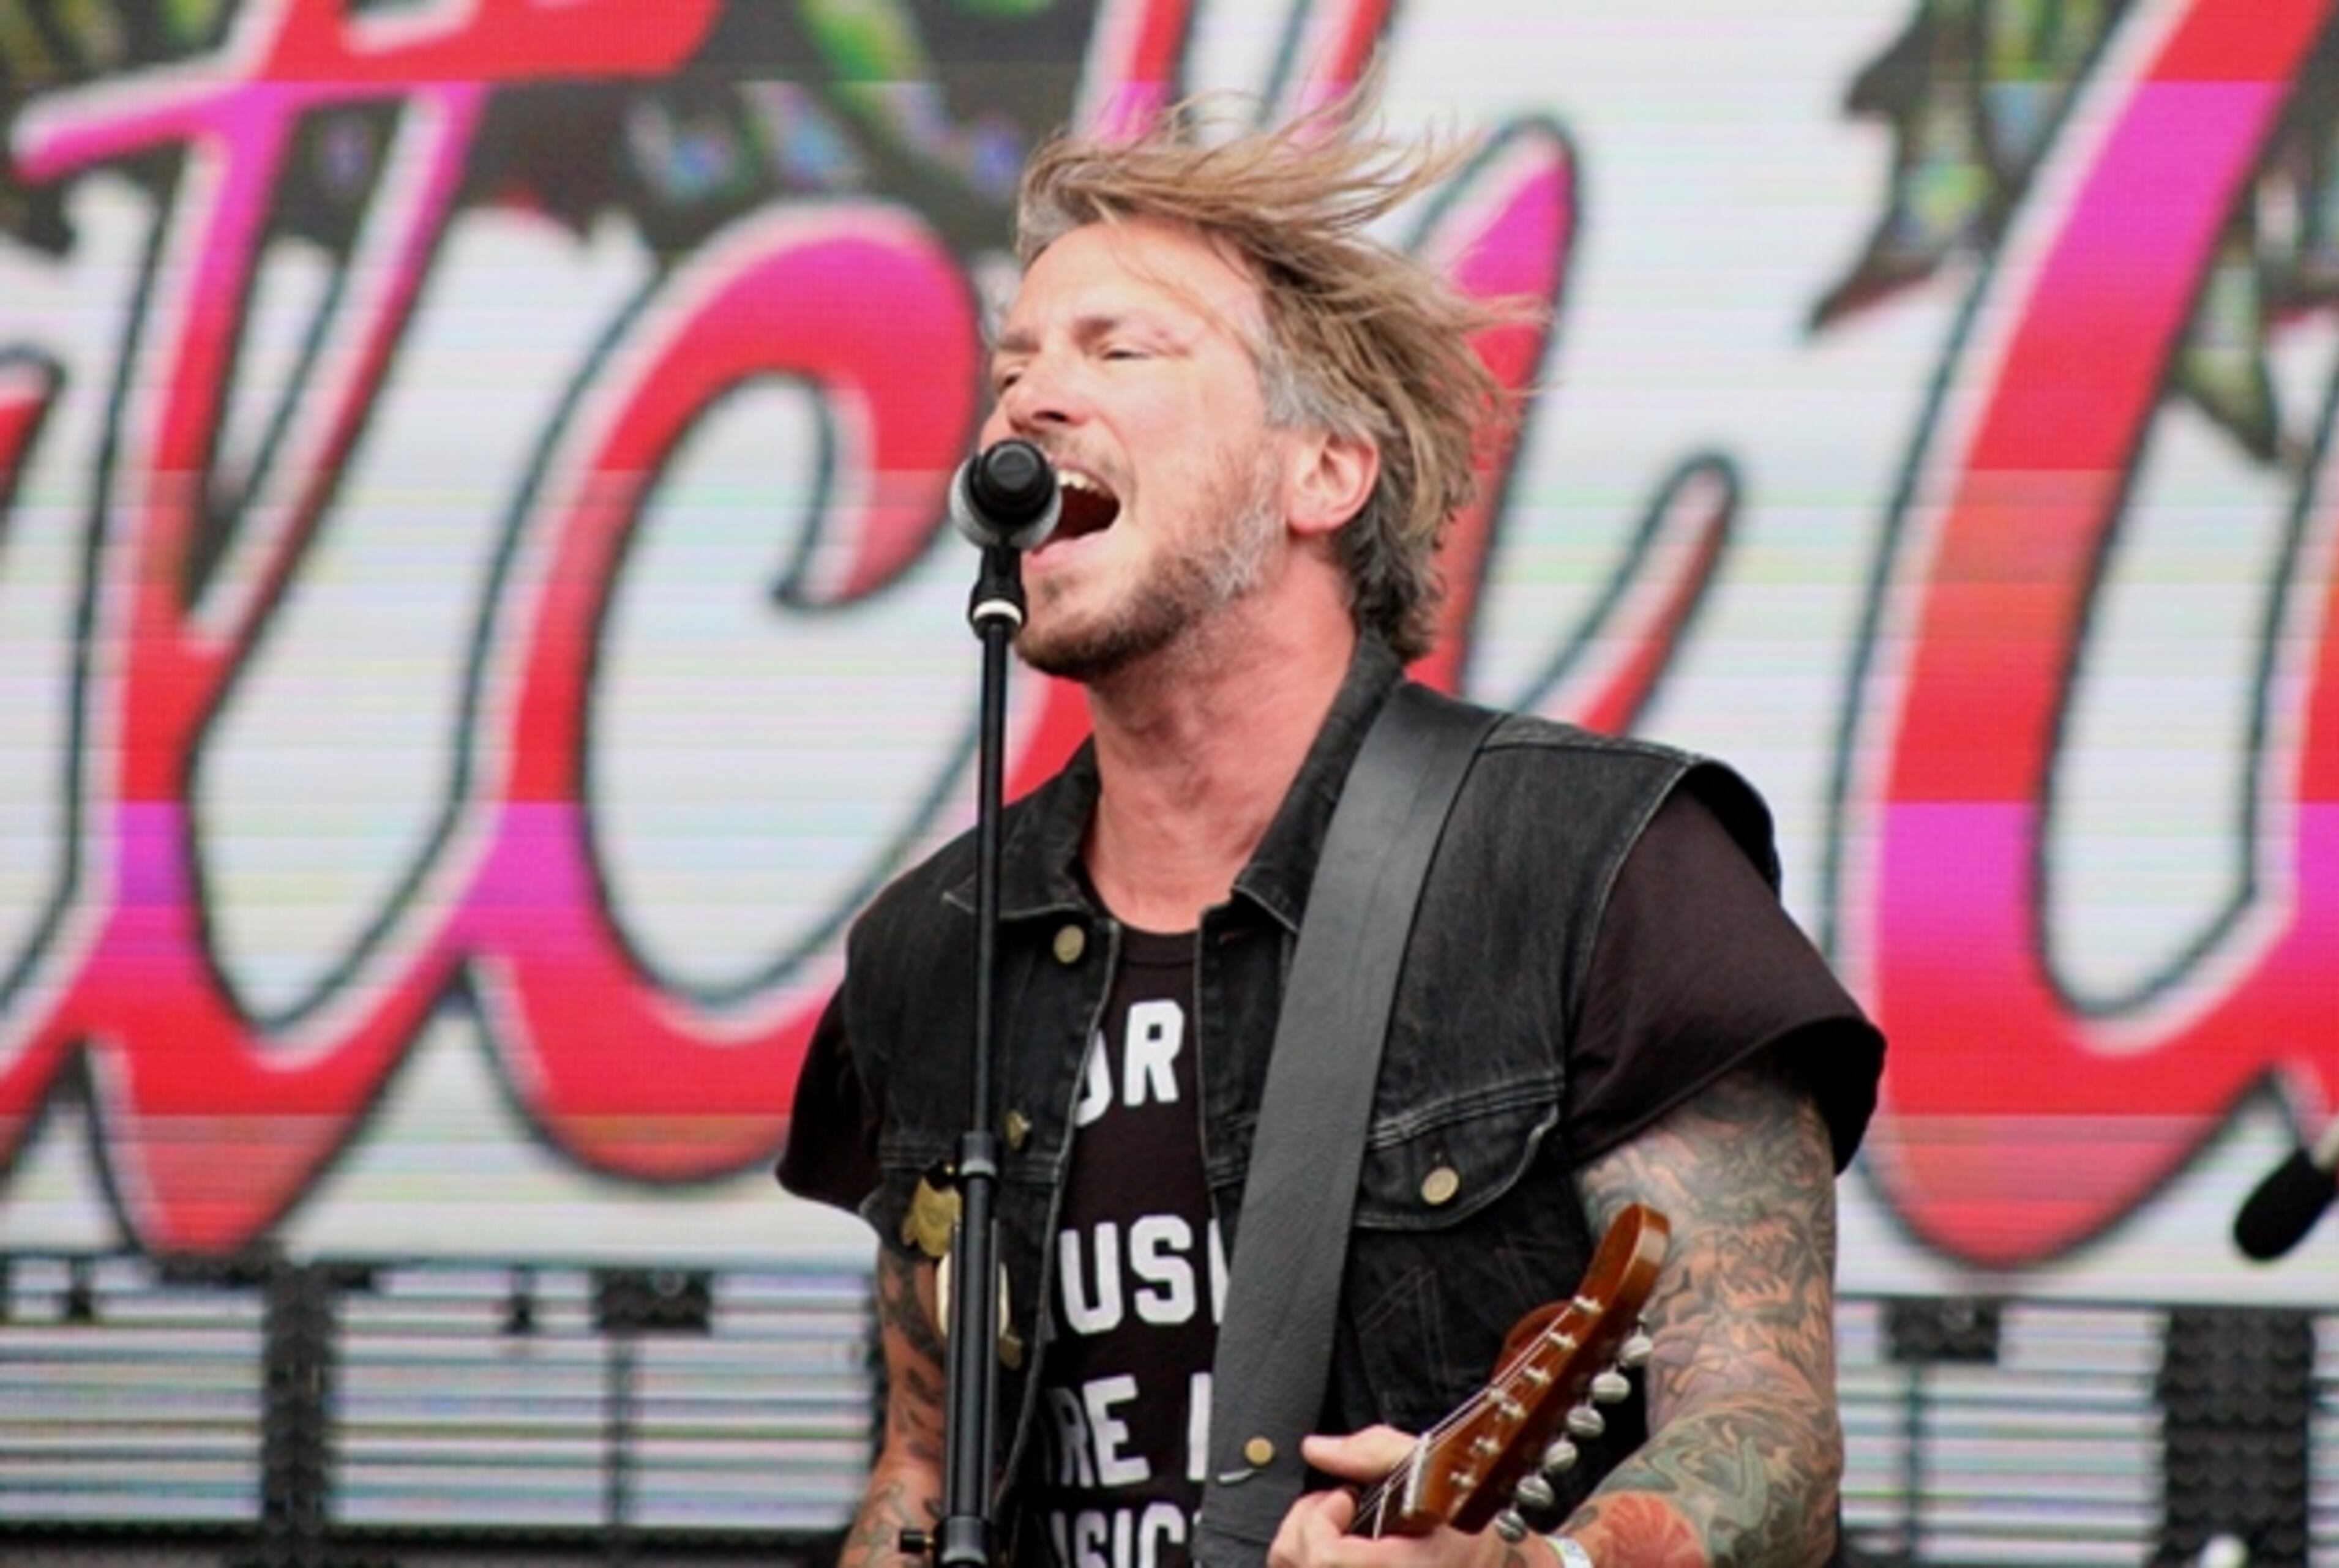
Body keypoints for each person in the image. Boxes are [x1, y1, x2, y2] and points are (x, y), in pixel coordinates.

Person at [780, 82, 1884, 1568]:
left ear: (1324, 470)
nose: (1029, 400)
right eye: (1015, 363)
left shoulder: (1601, 871)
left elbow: (1768, 1437)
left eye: (1121, 350)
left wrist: (1535, 1565)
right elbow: (923, 1470)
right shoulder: (933, 949)